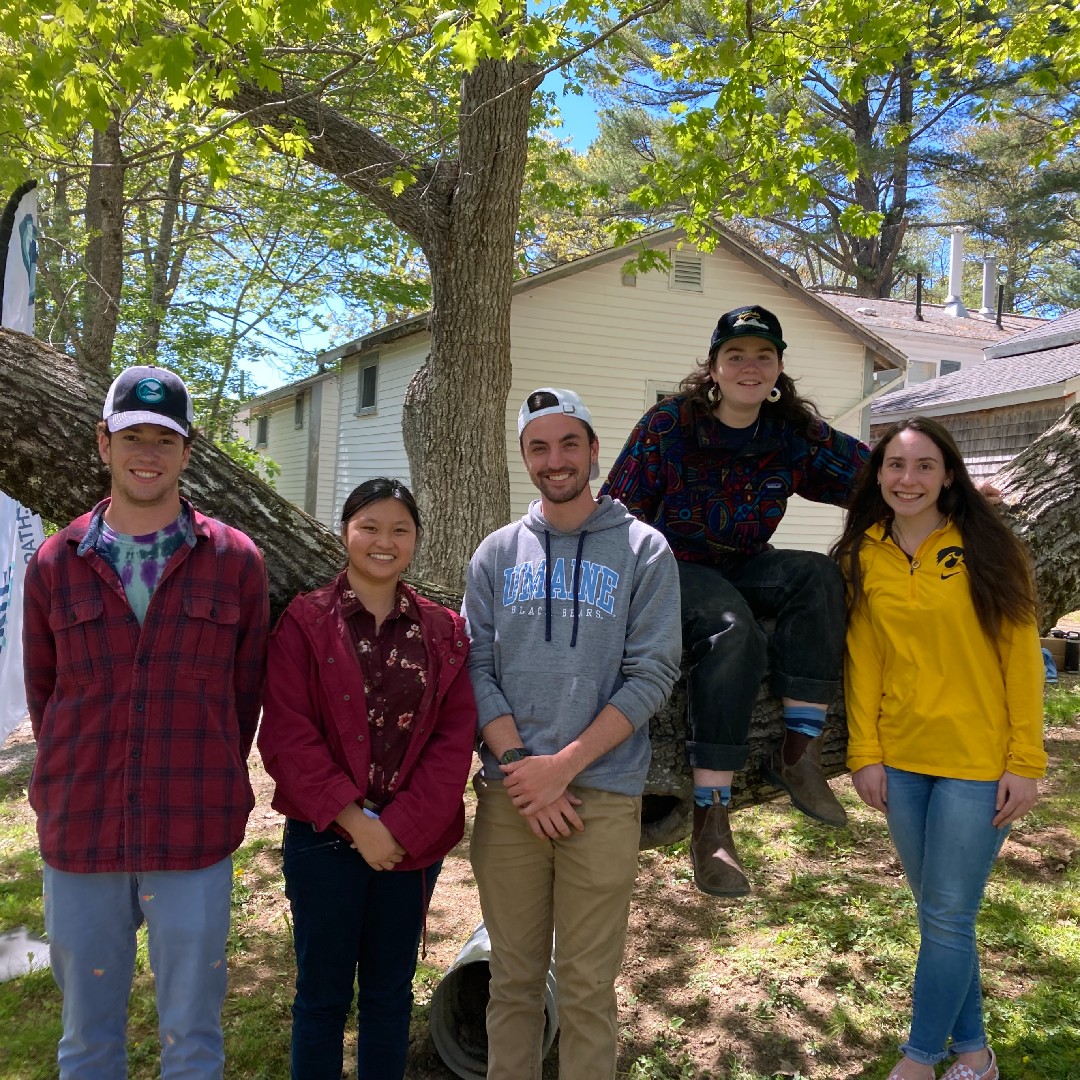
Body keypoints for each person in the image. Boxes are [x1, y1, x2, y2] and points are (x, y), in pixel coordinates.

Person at [22, 364, 270, 1078]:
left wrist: (210, 769)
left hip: (192, 827)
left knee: (193, 1040)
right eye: (133, 436)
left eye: (165, 438)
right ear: (104, 443)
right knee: (86, 1040)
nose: (148, 453)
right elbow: (46, 696)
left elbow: (243, 696)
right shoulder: (55, 563)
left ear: (187, 452)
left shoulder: (236, 562)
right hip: (83, 826)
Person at [602, 305, 864, 898]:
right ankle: (711, 818)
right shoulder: (669, 424)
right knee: (732, 628)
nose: (750, 367)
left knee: (818, 575)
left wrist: (955, 484)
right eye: (736, 355)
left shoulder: (791, 432)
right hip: (674, 565)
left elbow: (874, 474)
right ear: (714, 367)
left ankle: (798, 751)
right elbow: (618, 509)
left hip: (747, 560)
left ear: (778, 368)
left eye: (763, 356)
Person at [464, 388, 682, 1080]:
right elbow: (475, 667)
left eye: (568, 444)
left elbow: (652, 673)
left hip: (603, 795)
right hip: (511, 795)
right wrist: (524, 768)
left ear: (593, 450)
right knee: (512, 982)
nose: (554, 460)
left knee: (588, 990)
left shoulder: (644, 550)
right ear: (524, 456)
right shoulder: (496, 553)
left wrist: (562, 767)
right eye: (539, 447)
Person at [831, 417, 1045, 1080]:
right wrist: (865, 753)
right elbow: (863, 658)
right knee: (941, 917)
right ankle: (975, 1056)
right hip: (902, 761)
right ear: (878, 475)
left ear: (949, 474)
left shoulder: (989, 547)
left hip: (977, 763)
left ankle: (919, 1060)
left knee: (949, 915)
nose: (909, 479)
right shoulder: (862, 554)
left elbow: (1022, 659)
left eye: (925, 465)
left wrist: (1026, 762)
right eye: (896, 465)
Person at [258, 478, 477, 1080]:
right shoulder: (305, 622)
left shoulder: (443, 631)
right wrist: (358, 823)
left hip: (411, 845)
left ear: (416, 540)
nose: (385, 541)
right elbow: (287, 736)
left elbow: (453, 741)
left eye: (400, 529)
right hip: (324, 836)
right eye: (370, 527)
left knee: (388, 994)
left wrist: (398, 829)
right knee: (321, 996)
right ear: (344, 533)